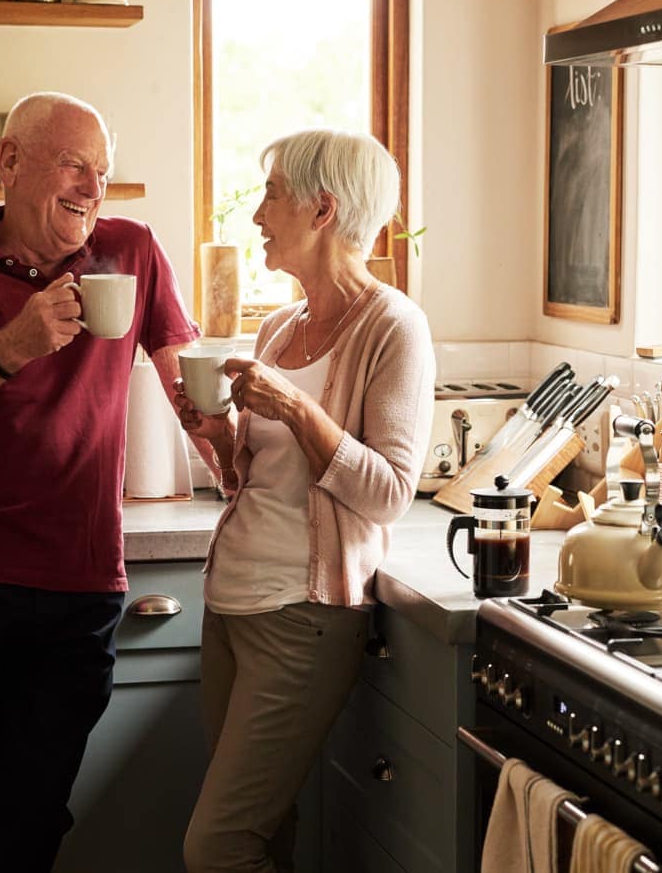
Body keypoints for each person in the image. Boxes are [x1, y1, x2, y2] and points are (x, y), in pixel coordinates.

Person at [0, 91, 206, 873]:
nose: (93, 188)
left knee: (25, 822)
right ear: (11, 162)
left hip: (76, 589)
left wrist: (237, 435)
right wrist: (9, 347)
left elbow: (187, 389)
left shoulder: (131, 251)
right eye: (73, 165)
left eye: (103, 171)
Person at [177, 129, 435, 872]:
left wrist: (295, 408)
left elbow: (388, 494)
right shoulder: (279, 327)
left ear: (323, 210)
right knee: (262, 832)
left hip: (303, 618)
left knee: (217, 847)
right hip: (231, 606)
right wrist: (216, 433)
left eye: (272, 195)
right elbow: (250, 481)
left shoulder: (395, 327)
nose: (258, 215)